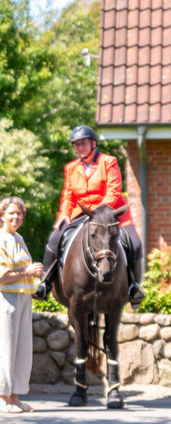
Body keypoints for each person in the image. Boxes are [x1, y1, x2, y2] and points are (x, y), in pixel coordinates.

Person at [34, 126, 145, 307]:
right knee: (54, 239)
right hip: (81, 214)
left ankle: (134, 287)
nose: (80, 148)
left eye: (83, 143)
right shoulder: (71, 168)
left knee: (135, 243)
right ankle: (45, 283)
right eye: (76, 145)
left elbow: (113, 192)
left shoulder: (108, 161)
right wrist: (63, 214)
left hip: (111, 213)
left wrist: (96, 213)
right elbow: (69, 196)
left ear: (93, 143)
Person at [0, 197, 43, 414]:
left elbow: (22, 270)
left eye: (19, 213)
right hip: (5, 299)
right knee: (4, 349)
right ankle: (2, 399)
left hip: (23, 298)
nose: (16, 217)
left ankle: (15, 398)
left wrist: (34, 272)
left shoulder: (18, 238)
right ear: (1, 216)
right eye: (11, 213)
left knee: (21, 350)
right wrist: (26, 272)